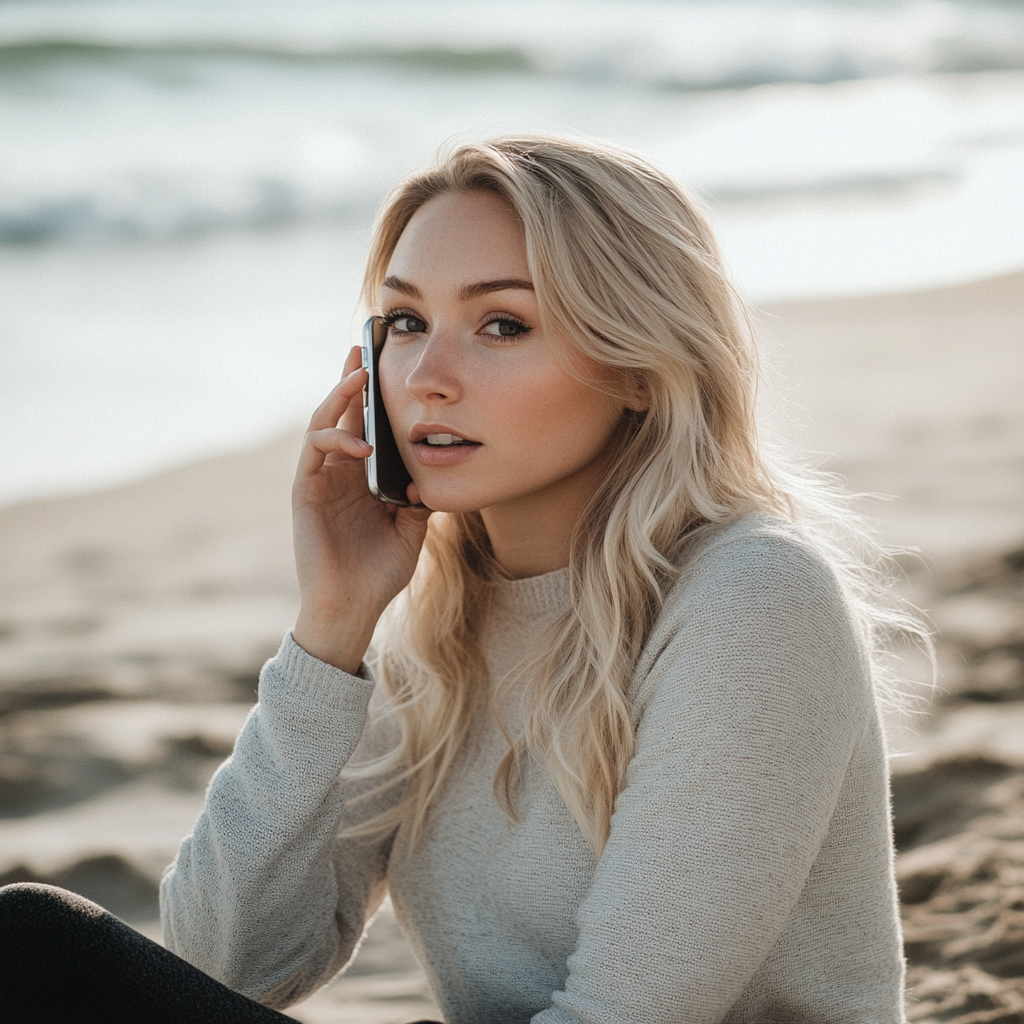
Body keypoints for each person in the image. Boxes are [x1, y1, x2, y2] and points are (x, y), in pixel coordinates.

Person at [0, 135, 922, 1024]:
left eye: (502, 325)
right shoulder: (436, 632)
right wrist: (332, 625)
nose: (429, 377)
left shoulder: (754, 598)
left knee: (35, 944)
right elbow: (223, 968)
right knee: (37, 951)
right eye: (405, 322)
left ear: (639, 365)